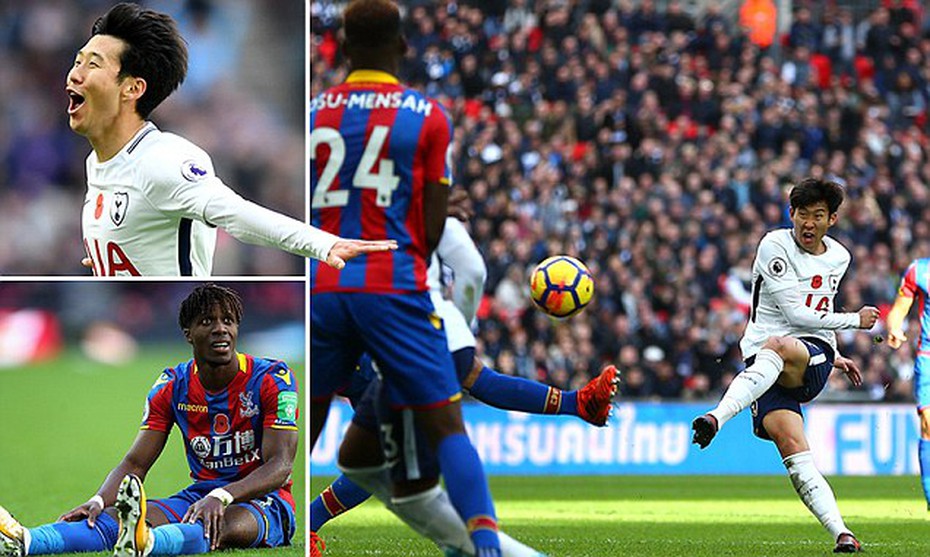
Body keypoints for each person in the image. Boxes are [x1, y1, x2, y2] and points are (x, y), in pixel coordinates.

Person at [310, 207, 619, 556]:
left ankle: (576, 404)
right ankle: (480, 541)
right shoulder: (414, 207)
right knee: (402, 453)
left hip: (378, 324)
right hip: (394, 328)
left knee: (374, 456)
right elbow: (472, 270)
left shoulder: (367, 203)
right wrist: (457, 327)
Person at [309, 1, 502, 555]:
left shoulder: (315, 112)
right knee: (446, 425)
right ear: (402, 48)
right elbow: (434, 224)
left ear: (343, 49)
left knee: (303, 429)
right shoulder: (427, 114)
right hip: (394, 283)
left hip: (324, 283)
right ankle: (483, 543)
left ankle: (285, 523)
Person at [68, 2, 394, 276]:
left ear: (133, 89)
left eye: (92, 65)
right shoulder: (97, 161)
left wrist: (324, 244)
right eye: (78, 60)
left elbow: (235, 214)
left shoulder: (164, 160)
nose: (74, 73)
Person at [0, 284, 300, 556]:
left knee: (220, 523)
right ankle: (25, 541)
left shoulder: (271, 378)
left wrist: (222, 496)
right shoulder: (172, 385)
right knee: (107, 521)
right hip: (202, 494)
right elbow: (135, 464)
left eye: (228, 321)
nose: (221, 329)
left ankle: (147, 542)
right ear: (188, 333)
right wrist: (99, 500)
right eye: (208, 322)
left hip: (266, 500)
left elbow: (280, 465)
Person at [690, 177, 879, 554]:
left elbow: (814, 313)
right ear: (790, 214)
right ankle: (843, 533)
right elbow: (796, 311)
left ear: (833, 219)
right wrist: (853, 322)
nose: (808, 223)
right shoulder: (774, 245)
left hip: (807, 357)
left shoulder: (839, 257)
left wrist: (833, 352)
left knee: (777, 345)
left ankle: (715, 418)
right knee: (793, 448)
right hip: (766, 367)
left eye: (818, 216)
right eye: (802, 214)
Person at [886, 257, 930, 511]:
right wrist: (894, 327)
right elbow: (899, 309)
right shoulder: (920, 270)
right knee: (928, 424)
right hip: (928, 356)